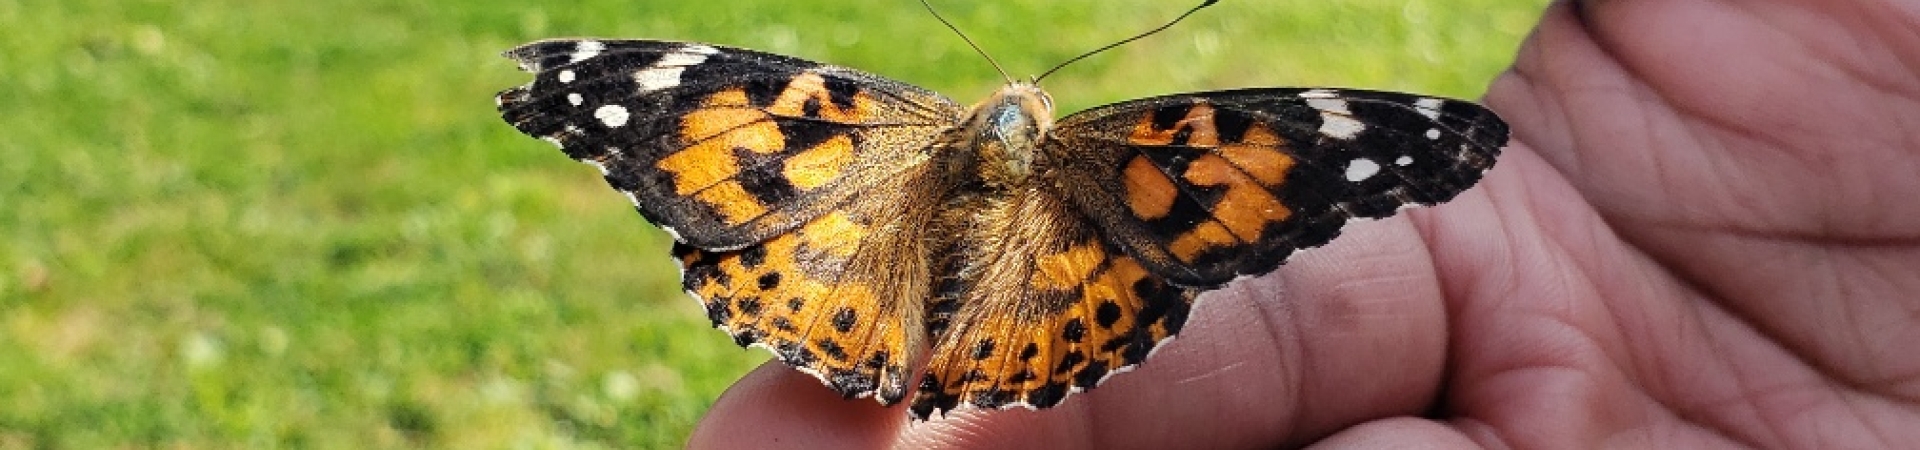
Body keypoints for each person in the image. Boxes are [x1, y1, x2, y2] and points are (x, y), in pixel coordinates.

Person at [690, 0, 1920, 447]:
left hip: (865, 257)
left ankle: (886, 340)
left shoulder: (848, 120)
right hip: (1017, 261)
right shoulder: (1148, 148)